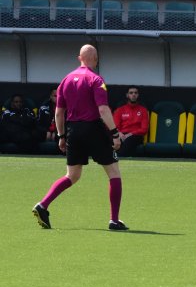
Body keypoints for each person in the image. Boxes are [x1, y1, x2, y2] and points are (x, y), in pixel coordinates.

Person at [32, 44, 128, 231]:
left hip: (73, 131)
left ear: (79, 58)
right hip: (93, 129)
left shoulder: (65, 80)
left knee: (72, 175)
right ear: (96, 59)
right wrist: (115, 134)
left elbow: (59, 113)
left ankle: (43, 205)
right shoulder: (96, 79)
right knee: (114, 173)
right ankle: (114, 220)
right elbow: (102, 109)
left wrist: (61, 136)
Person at [112, 86, 149, 157]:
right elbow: (115, 126)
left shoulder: (143, 110)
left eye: (135, 93)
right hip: (122, 135)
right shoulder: (120, 110)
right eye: (131, 93)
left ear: (138, 95)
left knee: (129, 141)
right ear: (127, 95)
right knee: (113, 140)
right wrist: (119, 133)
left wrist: (130, 134)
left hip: (136, 136)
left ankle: (118, 157)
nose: (133, 94)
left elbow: (144, 129)